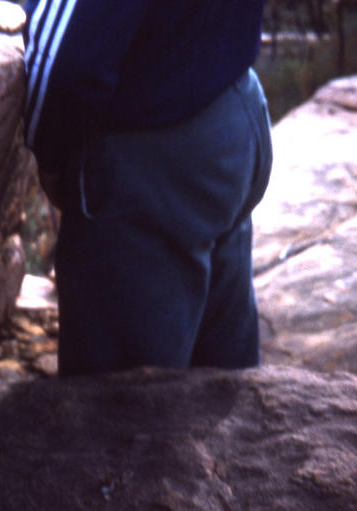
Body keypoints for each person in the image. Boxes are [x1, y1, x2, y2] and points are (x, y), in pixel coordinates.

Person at [23, 0, 273, 376]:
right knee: (222, 380)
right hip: (233, 104)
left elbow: (62, 63)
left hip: (152, 156)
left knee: (119, 410)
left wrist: (52, 159)